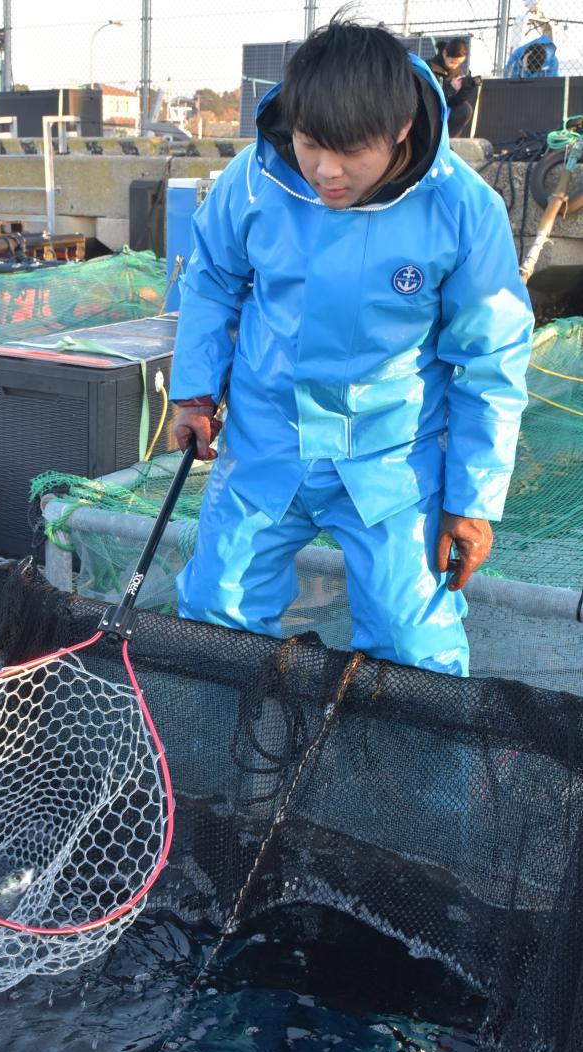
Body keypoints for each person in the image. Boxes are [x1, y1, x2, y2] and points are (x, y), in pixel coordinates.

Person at [169, 17, 533, 677]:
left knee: (414, 644)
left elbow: (489, 360)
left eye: (352, 151)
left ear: (400, 131)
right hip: (263, 446)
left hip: (391, 462)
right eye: (310, 145)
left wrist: (472, 502)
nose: (325, 172)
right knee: (213, 608)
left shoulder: (461, 207)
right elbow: (213, 280)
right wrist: (193, 391)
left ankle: (418, 778)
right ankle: (213, 772)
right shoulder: (255, 179)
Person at [428, 38, 480, 138]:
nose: (454, 66)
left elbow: (454, 102)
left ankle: (449, 140)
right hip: (431, 110)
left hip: (447, 109)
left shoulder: (455, 70)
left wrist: (466, 88)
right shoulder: (430, 68)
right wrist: (451, 89)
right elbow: (431, 99)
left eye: (458, 63)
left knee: (465, 109)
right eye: (452, 62)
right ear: (444, 53)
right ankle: (436, 140)